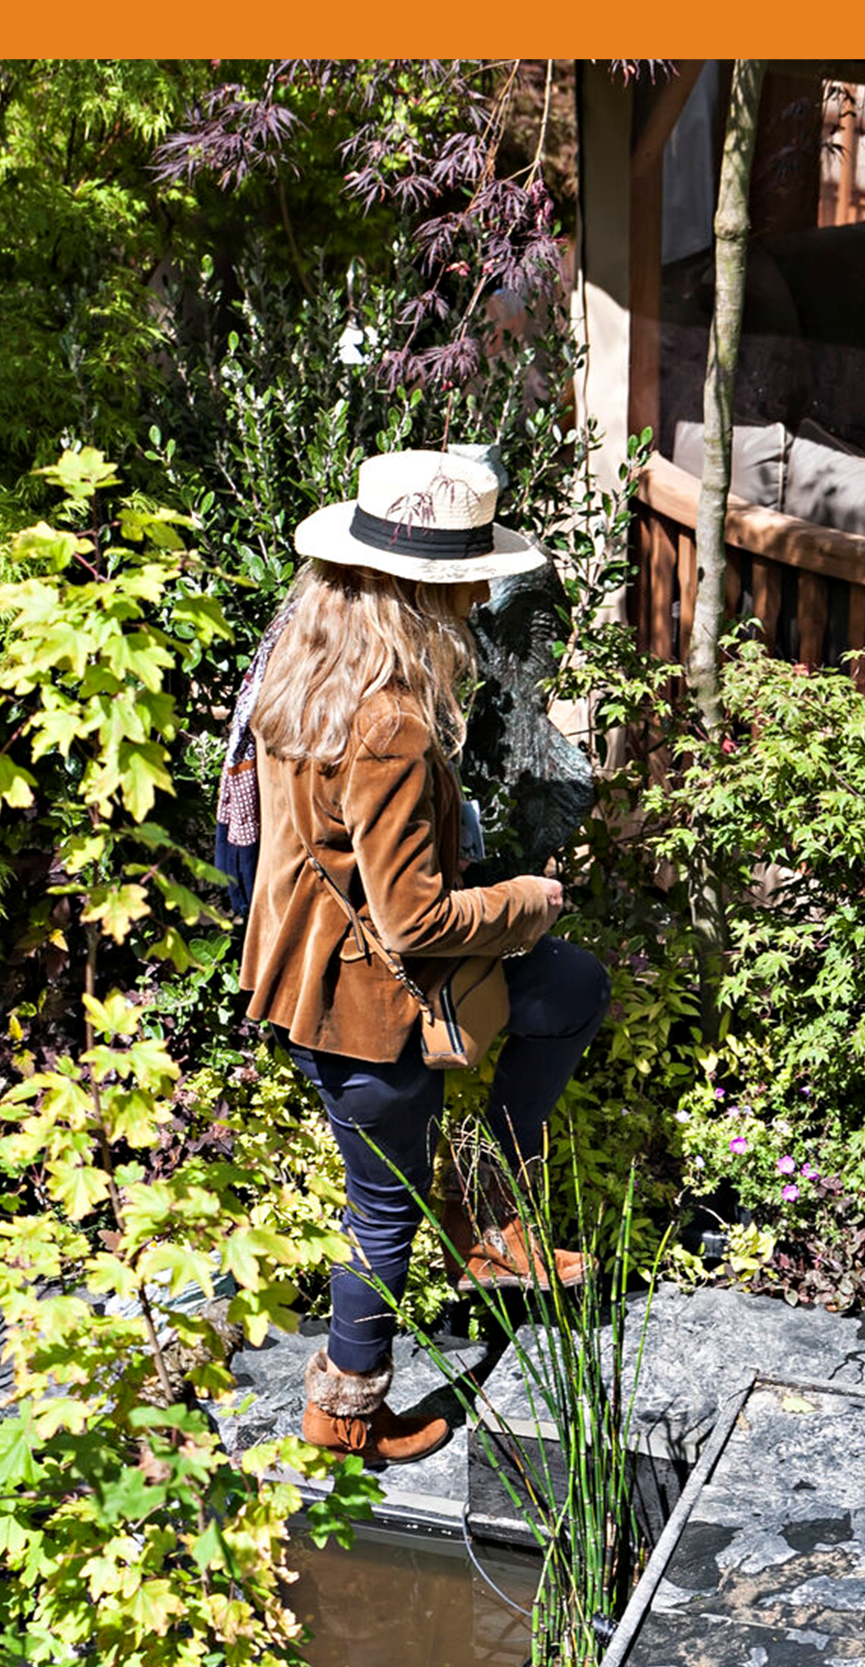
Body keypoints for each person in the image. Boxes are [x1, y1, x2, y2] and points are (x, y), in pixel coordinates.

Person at [236, 449, 612, 1469]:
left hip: (311, 972)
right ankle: (345, 1411)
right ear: (418, 590)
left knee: (570, 986)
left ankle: (490, 1207)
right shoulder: (389, 716)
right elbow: (409, 919)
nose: (483, 593)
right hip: (364, 1002)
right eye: (464, 580)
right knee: (381, 1213)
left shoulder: (302, 666)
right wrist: (520, 901)